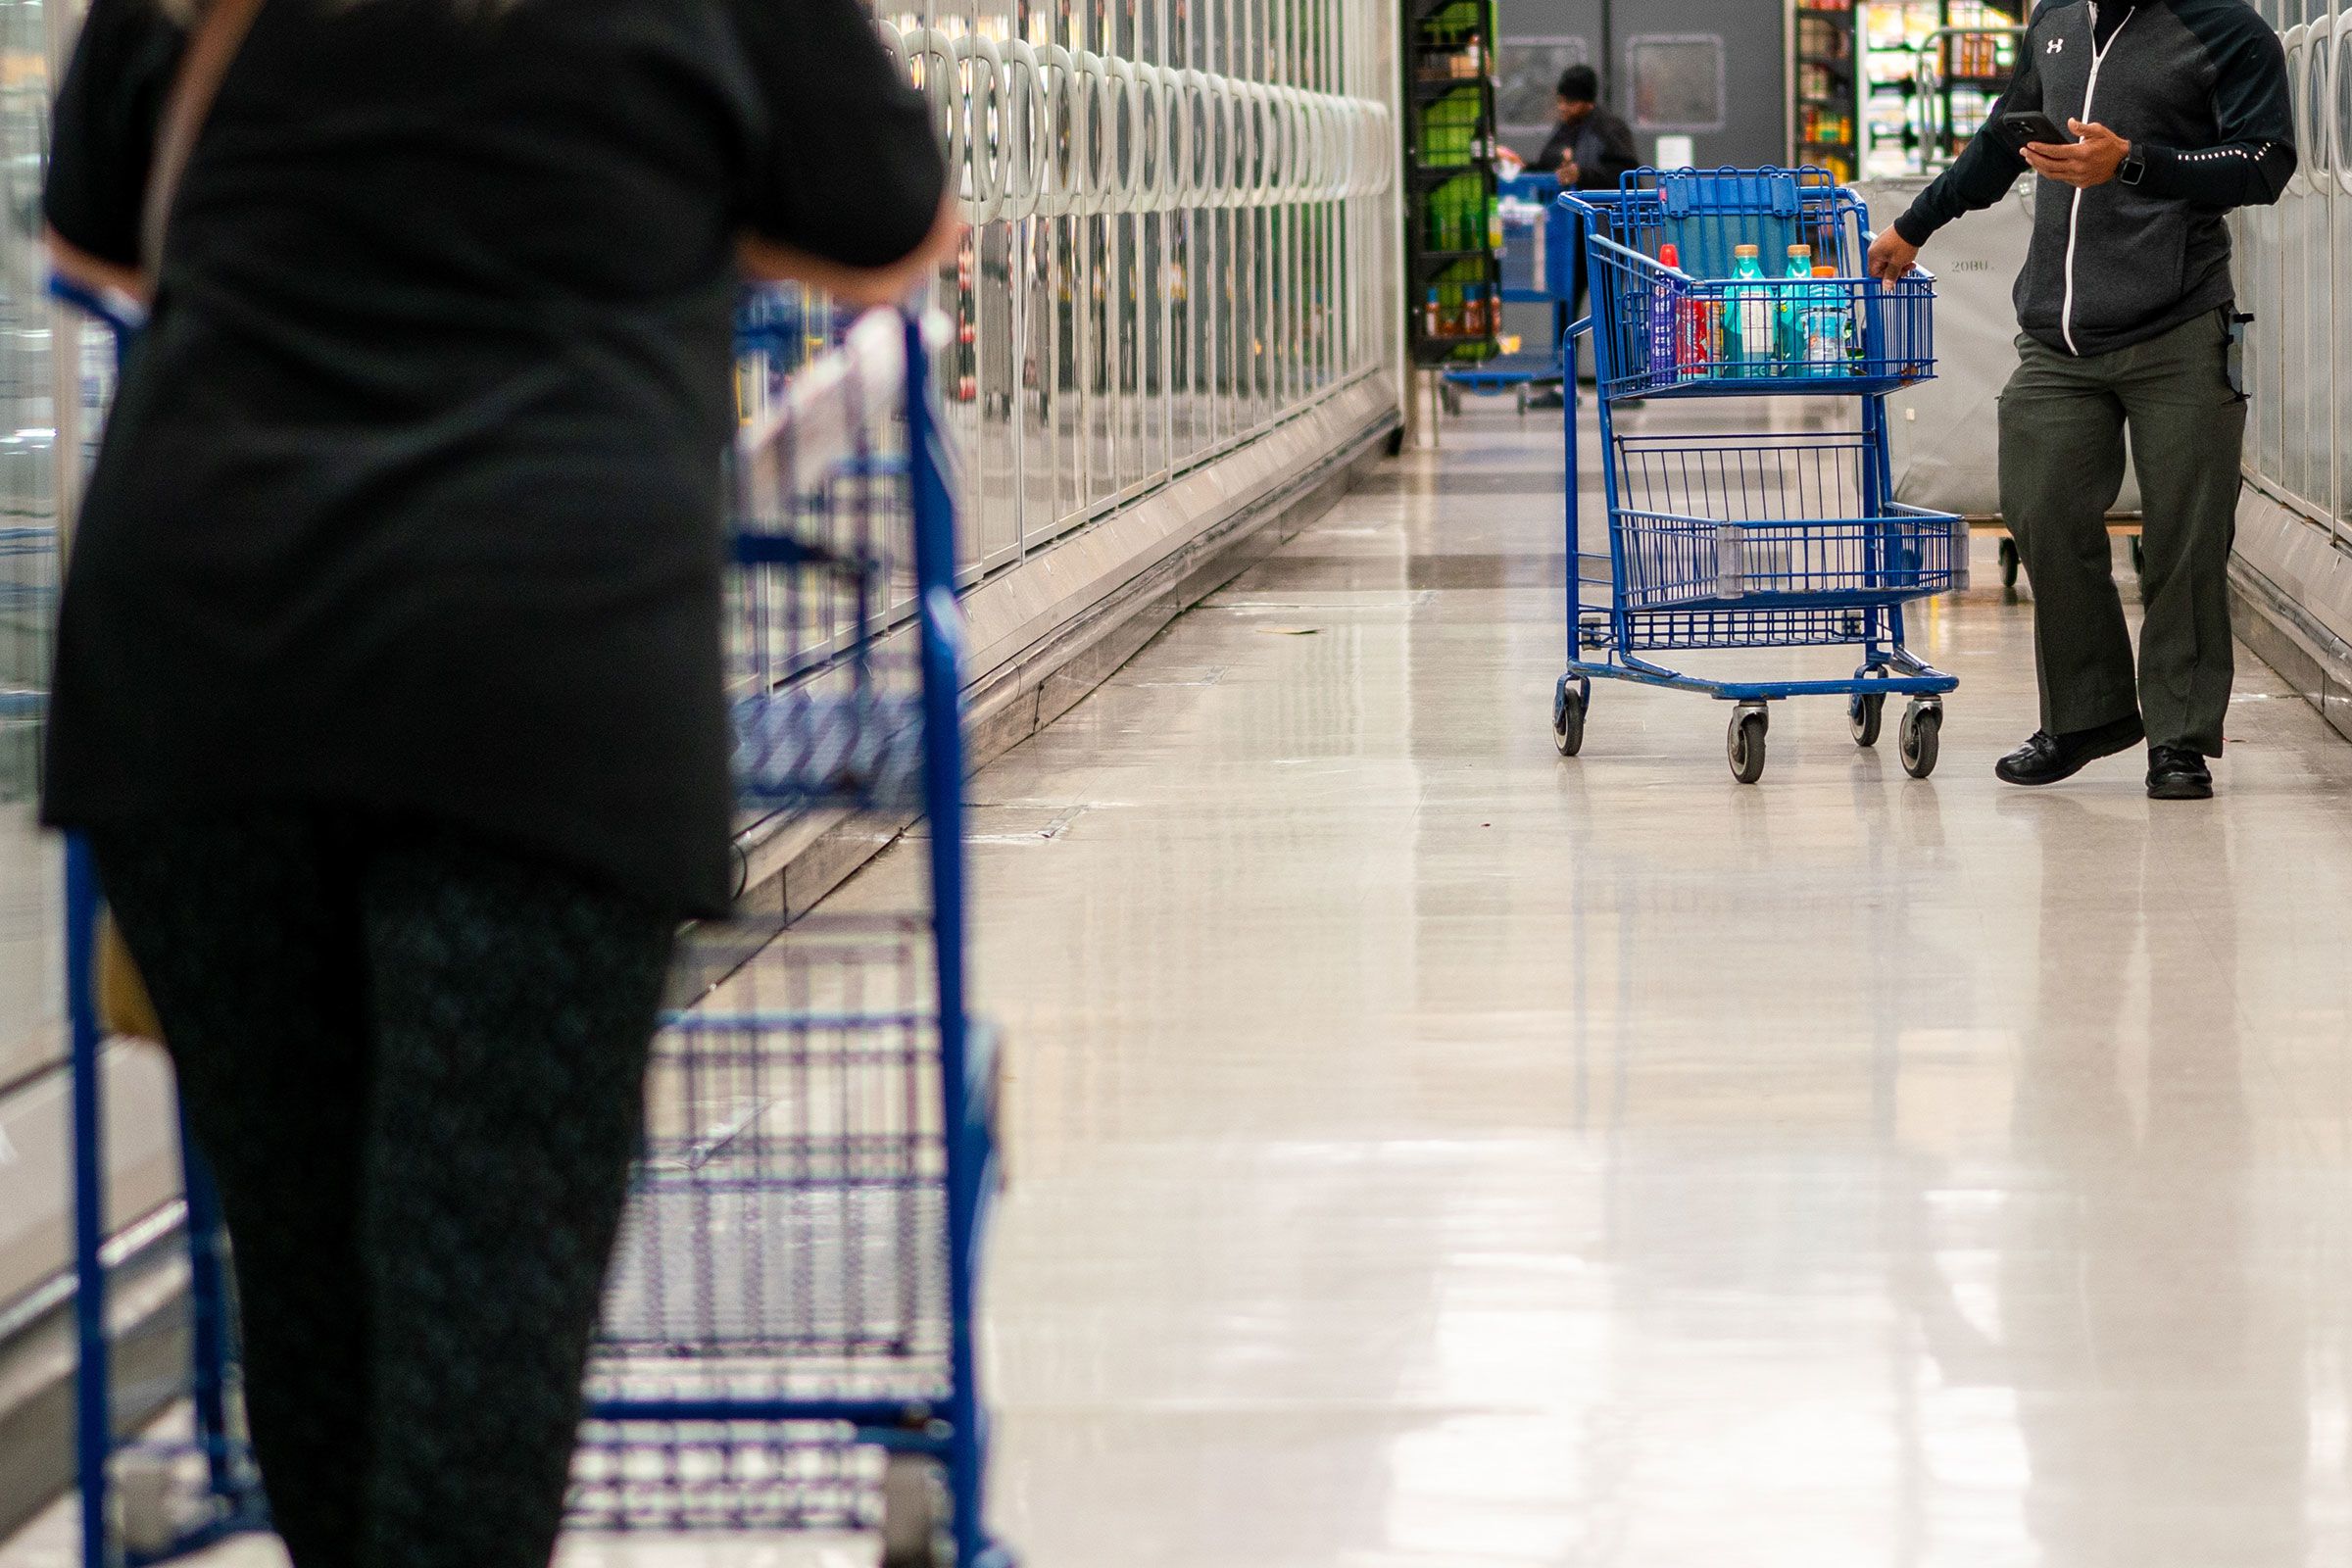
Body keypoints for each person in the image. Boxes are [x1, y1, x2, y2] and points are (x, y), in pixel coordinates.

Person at [41, 1, 954, 1564]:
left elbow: (98, 240)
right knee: (480, 1315)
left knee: (312, 1299)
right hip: (535, 675)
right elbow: (890, 234)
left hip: (207, 664)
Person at [1867, 0, 2292, 801]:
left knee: (2186, 541)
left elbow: (2264, 165)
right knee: (2039, 509)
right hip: (2057, 340)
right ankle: (2088, 715)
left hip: (2179, 325)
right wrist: (1916, 224)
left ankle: (2179, 740)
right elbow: (2003, 143)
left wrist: (2133, 162)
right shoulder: (2055, 24)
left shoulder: (2228, 31)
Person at [1531, 65, 1638, 393]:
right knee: (1567, 305)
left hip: (1606, 234)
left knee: (1609, 304)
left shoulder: (1609, 128)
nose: (1562, 108)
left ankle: (1622, 380)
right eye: (1561, 101)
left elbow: (1626, 171)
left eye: (1569, 102)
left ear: (1586, 101)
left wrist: (1582, 174)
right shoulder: (1564, 130)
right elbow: (1548, 162)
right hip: (1570, 236)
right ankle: (1565, 383)